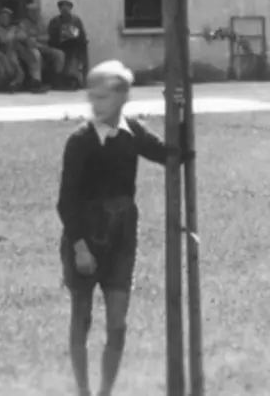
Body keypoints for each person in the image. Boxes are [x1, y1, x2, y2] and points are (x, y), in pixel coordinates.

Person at [57, 60, 192, 396]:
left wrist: (178, 111)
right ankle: (83, 391)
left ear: (122, 97)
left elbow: (173, 155)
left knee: (117, 322)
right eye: (92, 97)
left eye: (103, 97)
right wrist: (80, 248)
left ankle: (105, 391)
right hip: (85, 237)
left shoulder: (132, 133)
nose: (96, 104)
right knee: (82, 317)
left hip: (121, 238)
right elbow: (66, 202)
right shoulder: (80, 141)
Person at [19, 3, 64, 86]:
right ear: (29, 13)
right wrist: (28, 38)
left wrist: (36, 38)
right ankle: (36, 81)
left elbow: (47, 37)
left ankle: (57, 79)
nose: (35, 14)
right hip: (30, 49)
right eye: (33, 12)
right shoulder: (24, 23)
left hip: (43, 47)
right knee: (36, 55)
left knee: (59, 54)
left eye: (36, 11)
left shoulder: (42, 23)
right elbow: (20, 35)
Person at [49, 0, 90, 89]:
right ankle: (64, 80)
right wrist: (62, 34)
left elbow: (82, 35)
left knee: (79, 50)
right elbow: (51, 36)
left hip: (75, 45)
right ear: (60, 10)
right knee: (60, 54)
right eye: (62, 8)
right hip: (60, 45)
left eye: (67, 8)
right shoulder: (55, 21)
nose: (65, 11)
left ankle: (78, 79)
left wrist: (73, 34)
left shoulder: (76, 20)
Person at [0, 7, 26, 92]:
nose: (6, 19)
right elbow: (2, 40)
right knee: (12, 65)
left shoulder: (14, 27)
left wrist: (17, 35)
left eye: (8, 17)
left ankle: (15, 83)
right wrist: (13, 36)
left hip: (16, 51)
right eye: (3, 17)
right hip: (2, 52)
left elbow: (23, 36)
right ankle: (12, 83)